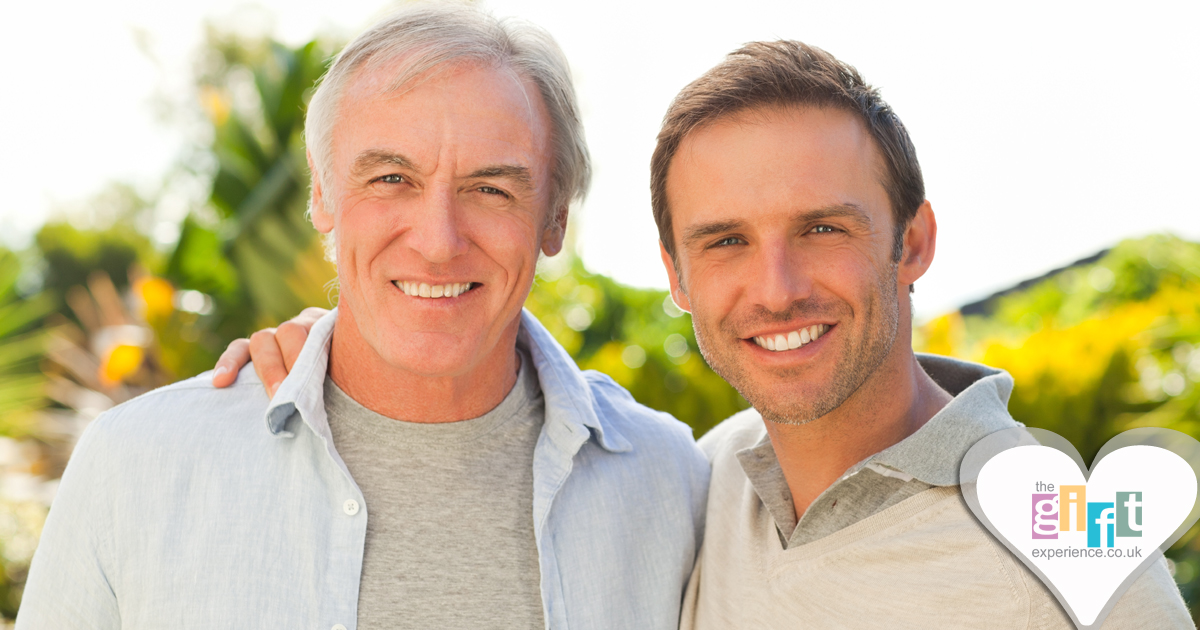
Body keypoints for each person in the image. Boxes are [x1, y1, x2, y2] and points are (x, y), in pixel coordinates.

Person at [226, 41, 1193, 628]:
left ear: (914, 242)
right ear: (677, 278)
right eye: (725, 242)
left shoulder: (1063, 542)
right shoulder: (704, 478)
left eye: (823, 228)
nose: (774, 289)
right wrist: (350, 349)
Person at [16, 5, 707, 629]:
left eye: (490, 188)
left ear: (555, 219)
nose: (438, 241)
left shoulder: (671, 483)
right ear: (322, 194)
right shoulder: (137, 465)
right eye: (391, 179)